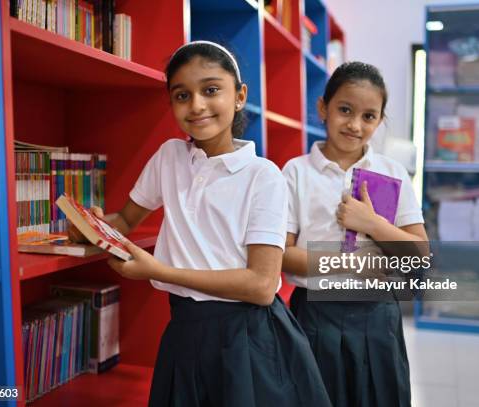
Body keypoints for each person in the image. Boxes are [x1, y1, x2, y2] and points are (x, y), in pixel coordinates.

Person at [70, 41, 330, 407]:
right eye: (181, 95)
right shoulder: (169, 158)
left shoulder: (263, 176)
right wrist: (91, 226)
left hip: (248, 339)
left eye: (211, 90)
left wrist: (159, 271)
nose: (196, 105)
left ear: (239, 96)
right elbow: (126, 220)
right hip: (185, 331)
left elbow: (259, 285)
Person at [282, 61, 429, 407]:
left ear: (379, 121)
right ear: (323, 108)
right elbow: (282, 254)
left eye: (368, 116)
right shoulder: (295, 172)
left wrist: (372, 224)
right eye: (344, 110)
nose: (354, 125)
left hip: (377, 316)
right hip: (314, 316)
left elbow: (418, 255)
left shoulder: (391, 173)